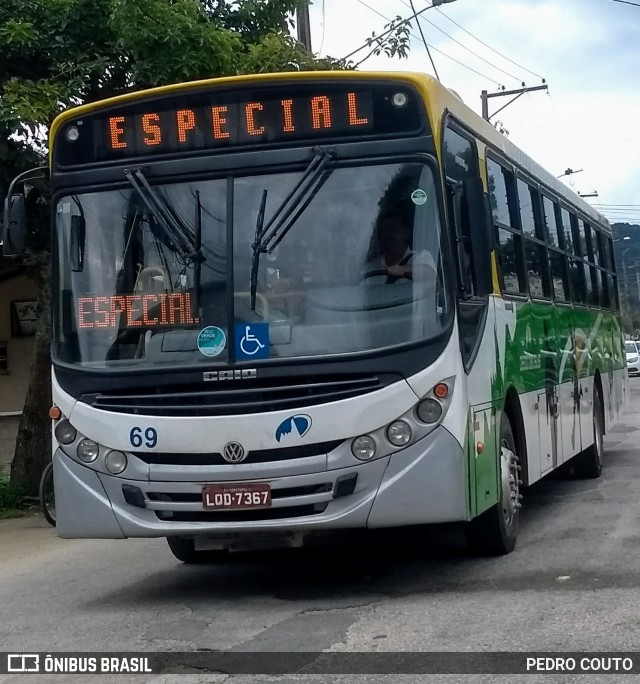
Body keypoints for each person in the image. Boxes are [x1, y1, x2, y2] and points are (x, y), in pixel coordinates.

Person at [362, 212, 437, 284]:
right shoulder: (371, 268)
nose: (389, 234)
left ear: (406, 233)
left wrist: (404, 269)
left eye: (394, 229)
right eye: (385, 230)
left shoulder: (420, 257)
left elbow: (431, 274)